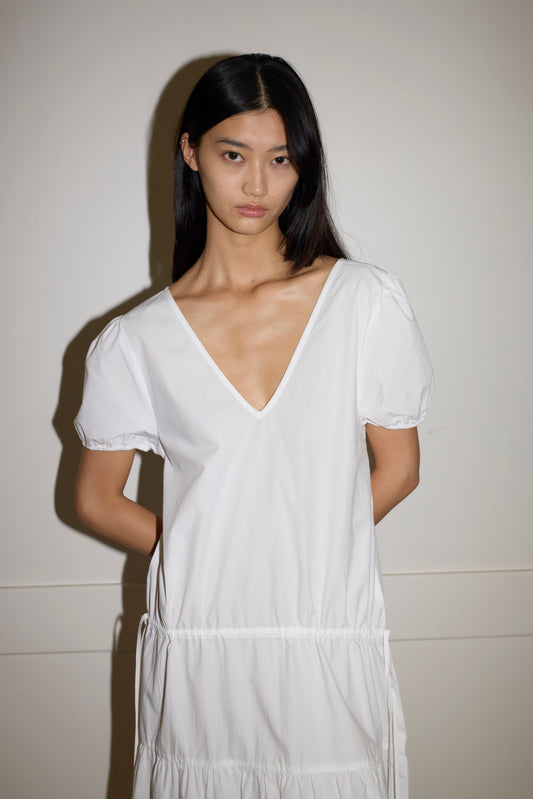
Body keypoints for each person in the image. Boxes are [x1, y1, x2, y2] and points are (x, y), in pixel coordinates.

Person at [74, 53, 434, 799]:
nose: (257, 185)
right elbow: (95, 499)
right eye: (232, 155)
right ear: (190, 152)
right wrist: (214, 548)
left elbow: (398, 468)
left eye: (281, 159)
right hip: (200, 650)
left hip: (323, 642)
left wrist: (304, 545)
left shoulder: (361, 301)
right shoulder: (135, 341)